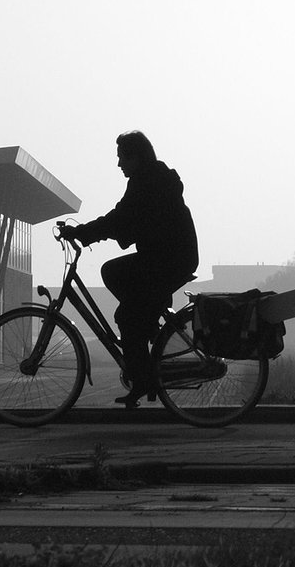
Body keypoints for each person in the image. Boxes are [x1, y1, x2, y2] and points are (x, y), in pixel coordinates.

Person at [60, 131, 199, 407]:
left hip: (170, 259)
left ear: (137, 157)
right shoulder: (151, 178)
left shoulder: (148, 182)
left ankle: (143, 374)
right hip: (170, 257)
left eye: (123, 158)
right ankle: (147, 324)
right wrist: (89, 232)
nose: (119, 164)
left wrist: (84, 233)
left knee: (126, 312)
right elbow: (122, 218)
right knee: (121, 288)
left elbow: (120, 217)